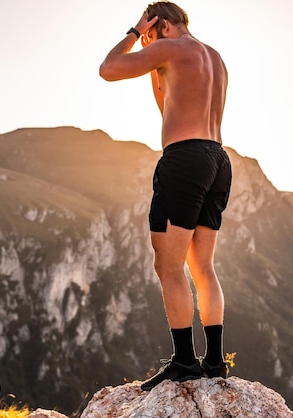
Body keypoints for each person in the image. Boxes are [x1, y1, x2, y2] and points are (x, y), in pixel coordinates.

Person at [99, 1, 232, 391]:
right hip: (218, 159)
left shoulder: (169, 47)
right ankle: (214, 361)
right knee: (202, 267)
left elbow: (108, 70)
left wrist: (134, 33)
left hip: (185, 159)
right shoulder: (215, 57)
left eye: (151, 34)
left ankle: (185, 362)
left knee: (168, 266)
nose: (148, 42)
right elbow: (167, 105)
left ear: (160, 26)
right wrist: (157, 68)